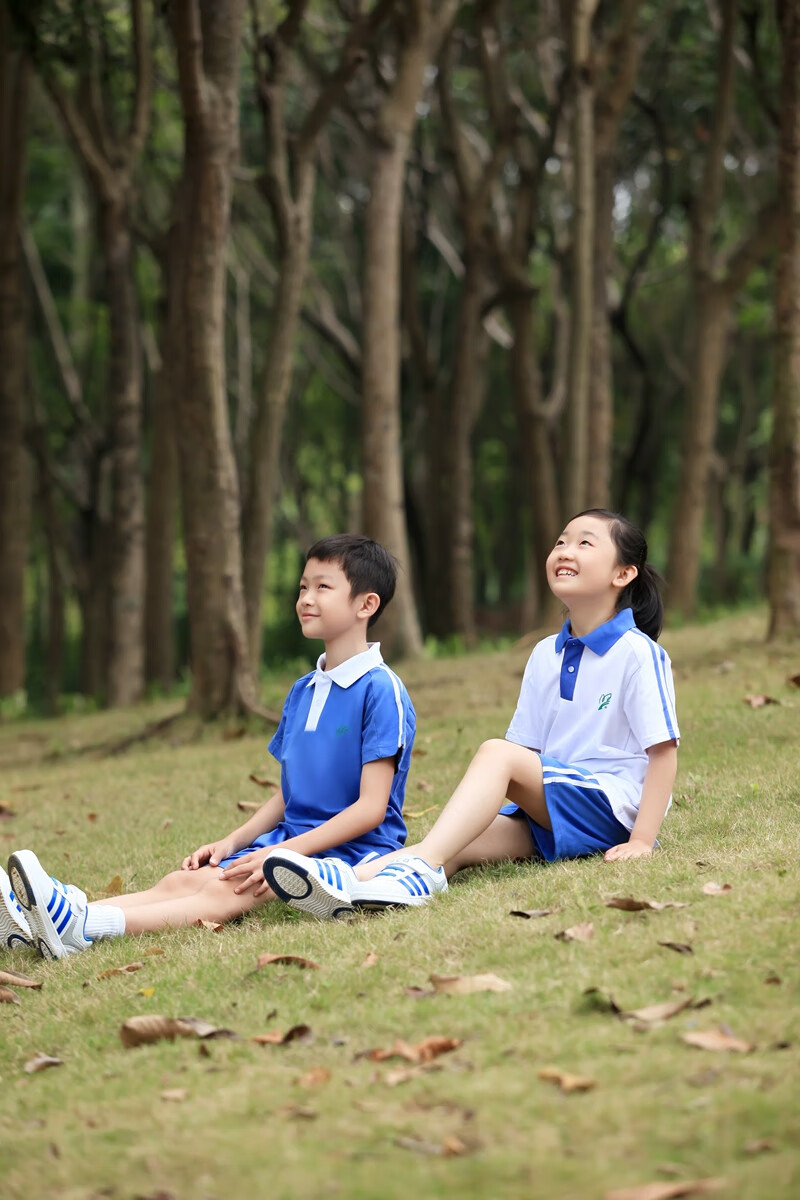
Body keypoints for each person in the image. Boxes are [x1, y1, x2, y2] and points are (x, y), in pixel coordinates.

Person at [0, 535, 416, 958]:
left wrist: (280, 852)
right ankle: (47, 922)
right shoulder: (303, 690)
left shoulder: (382, 690)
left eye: (322, 587)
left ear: (366, 605)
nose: (306, 598)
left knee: (224, 893)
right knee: (181, 882)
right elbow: (292, 793)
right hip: (292, 840)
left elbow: (371, 809)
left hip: (353, 852)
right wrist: (232, 842)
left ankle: (84, 927)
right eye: (303, 586)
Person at [262, 509, 680, 919]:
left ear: (623, 574)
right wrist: (487, 816)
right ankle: (349, 882)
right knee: (455, 842)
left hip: (612, 809)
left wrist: (642, 840)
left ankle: (421, 867)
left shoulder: (637, 652)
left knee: (493, 757)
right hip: (552, 811)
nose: (565, 550)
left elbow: (662, 752)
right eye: (560, 542)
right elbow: (527, 752)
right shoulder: (544, 654)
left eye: (584, 543)